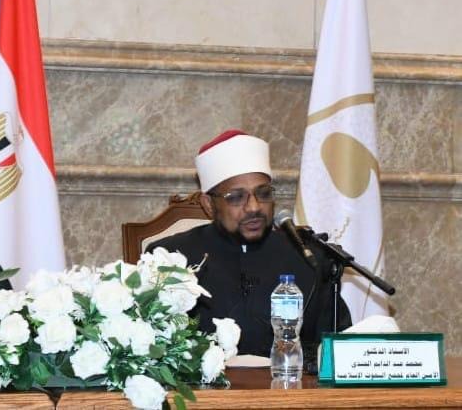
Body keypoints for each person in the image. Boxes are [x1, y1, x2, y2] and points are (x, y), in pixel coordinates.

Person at [148, 130, 351, 363]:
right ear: (208, 204)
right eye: (236, 197)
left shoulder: (308, 257)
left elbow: (337, 349)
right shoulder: (170, 258)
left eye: (263, 193)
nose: (254, 207)